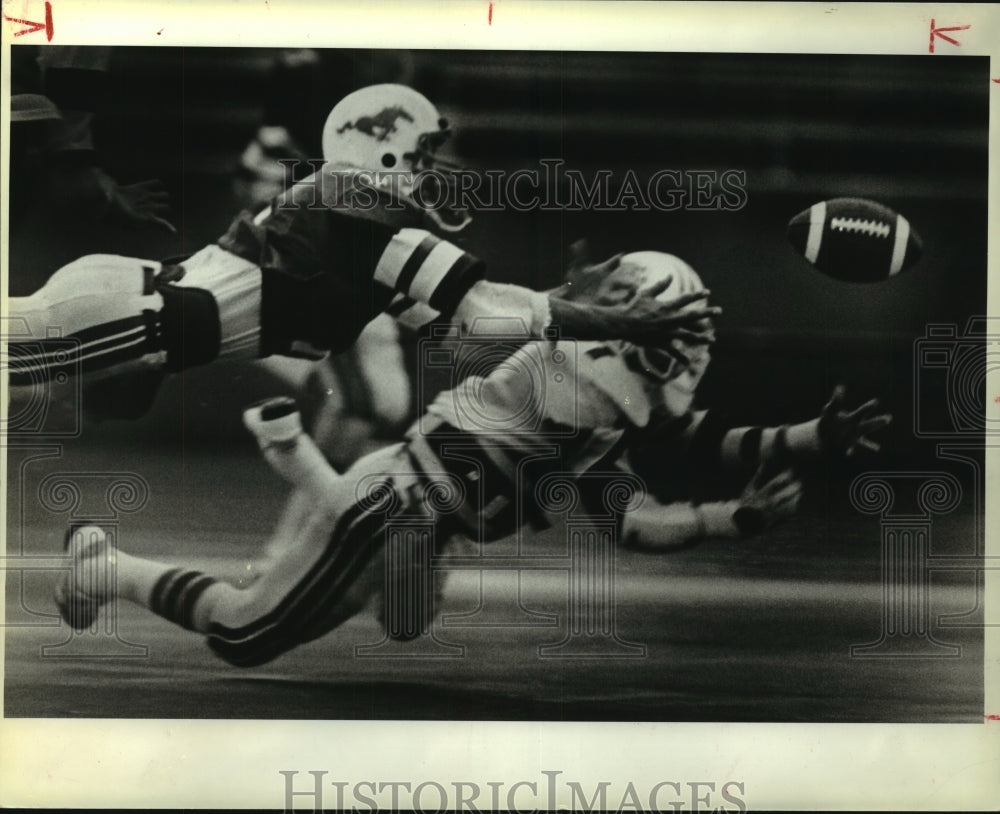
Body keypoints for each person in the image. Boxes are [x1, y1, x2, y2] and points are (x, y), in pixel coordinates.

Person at [54, 251, 892, 667]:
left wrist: (732, 513)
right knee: (242, 634)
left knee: (407, 624)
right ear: (638, 335)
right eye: (676, 338)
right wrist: (798, 445)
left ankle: (304, 465)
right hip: (401, 506)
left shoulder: (597, 426)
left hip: (423, 517)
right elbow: (687, 433)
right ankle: (109, 561)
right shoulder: (573, 379)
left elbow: (639, 522)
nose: (689, 358)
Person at [6, 85, 715, 420]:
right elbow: (491, 307)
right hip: (128, 313)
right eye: (427, 150)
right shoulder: (361, 212)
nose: (437, 165)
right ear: (383, 147)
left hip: (137, 314)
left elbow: (477, 324)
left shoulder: (360, 224)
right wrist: (620, 323)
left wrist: (570, 307)